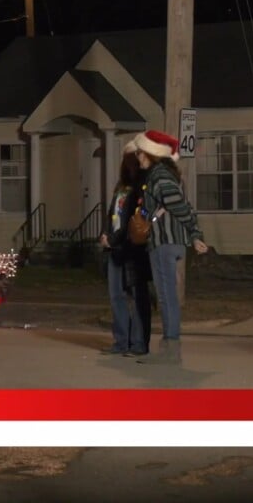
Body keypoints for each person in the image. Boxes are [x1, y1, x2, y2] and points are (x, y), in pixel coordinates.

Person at [132, 130, 208, 365]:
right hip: (169, 242)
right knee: (167, 295)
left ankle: (170, 346)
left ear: (151, 153)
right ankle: (170, 344)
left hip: (165, 242)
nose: (137, 156)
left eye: (140, 152)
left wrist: (196, 233)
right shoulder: (164, 174)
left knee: (166, 297)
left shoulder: (160, 174)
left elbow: (177, 204)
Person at [98, 142, 152, 356]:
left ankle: (139, 343)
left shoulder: (141, 187)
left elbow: (134, 219)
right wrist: (105, 235)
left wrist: (114, 239)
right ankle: (121, 341)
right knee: (116, 296)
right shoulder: (120, 188)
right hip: (114, 248)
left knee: (138, 297)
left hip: (133, 248)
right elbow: (112, 213)